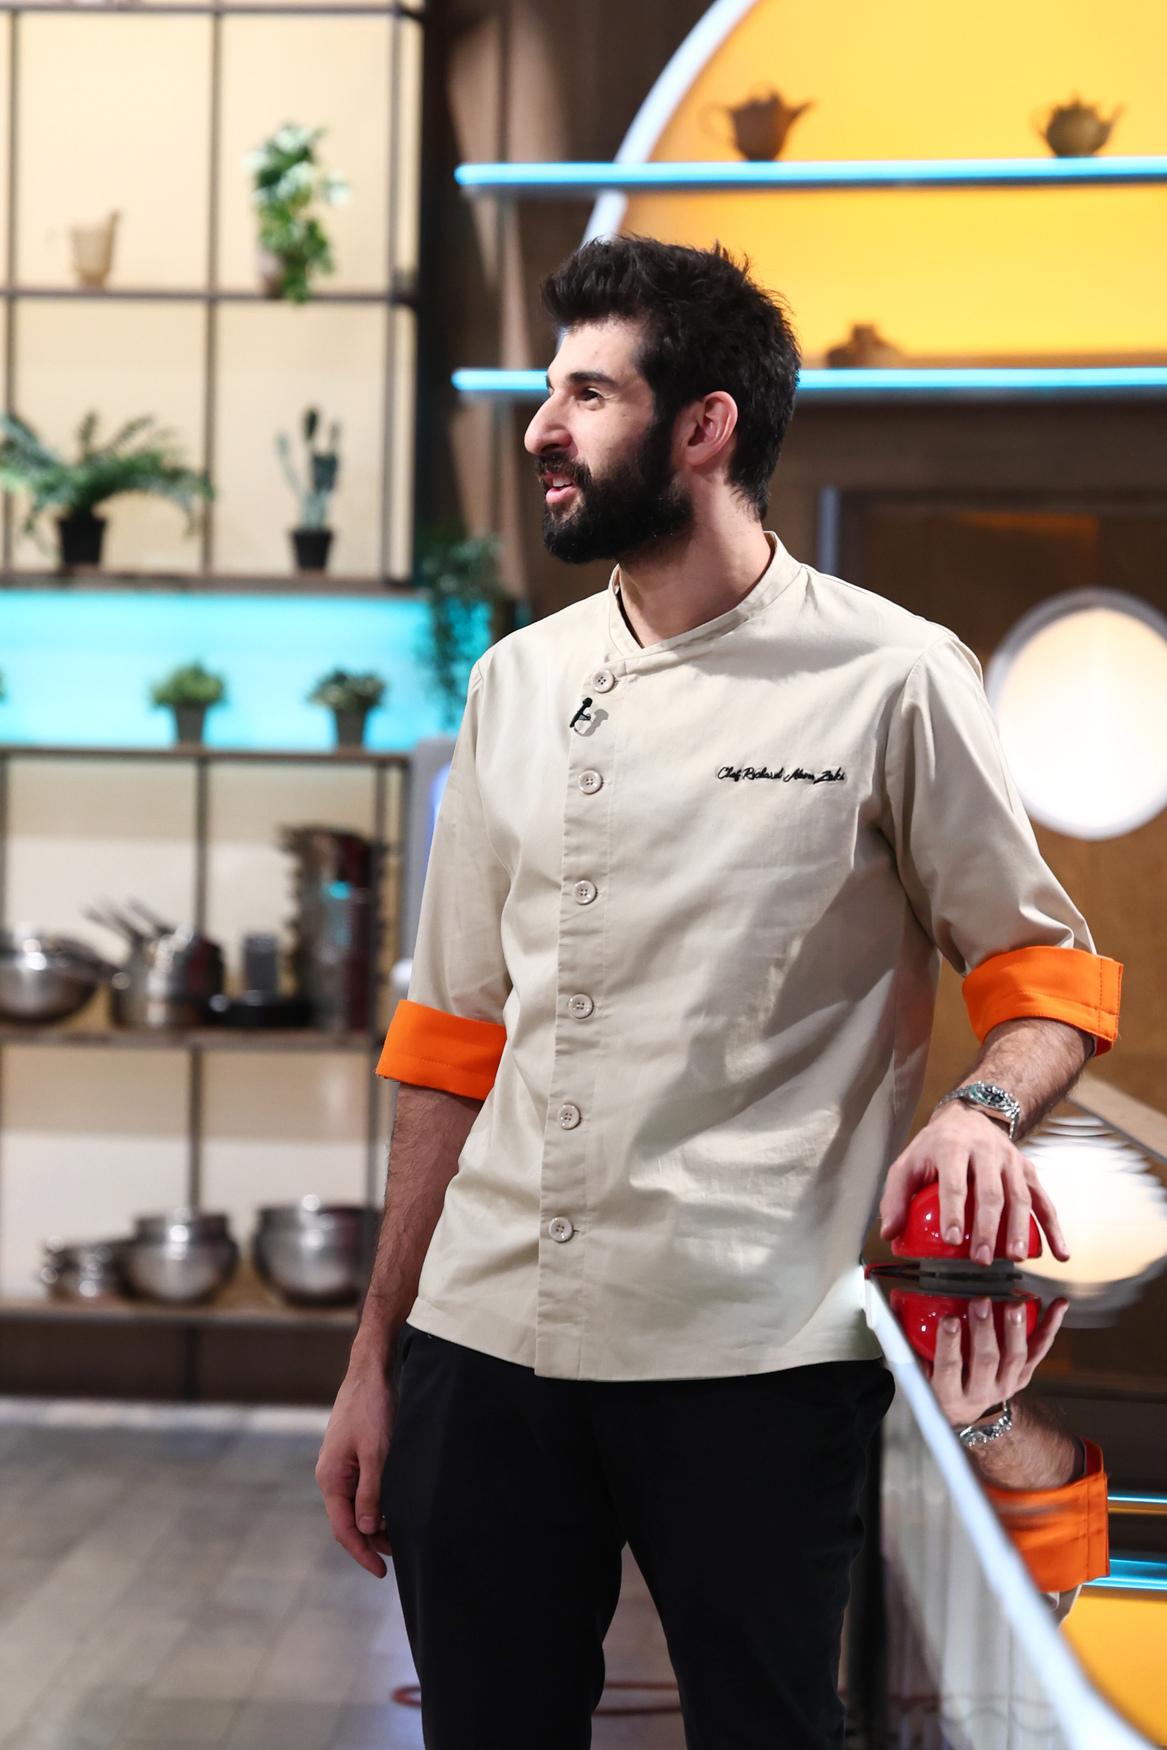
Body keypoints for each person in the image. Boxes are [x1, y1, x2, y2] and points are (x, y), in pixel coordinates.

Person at [315, 237, 1122, 1748]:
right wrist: (378, 1355)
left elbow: (1044, 972)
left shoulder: (894, 676)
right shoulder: (516, 682)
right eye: (550, 391)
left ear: (704, 427)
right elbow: (450, 1046)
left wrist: (980, 1107)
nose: (542, 428)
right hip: (485, 1344)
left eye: (589, 394)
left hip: (756, 1358)